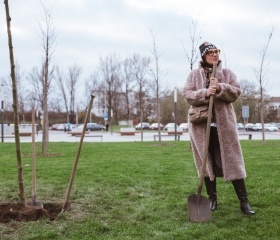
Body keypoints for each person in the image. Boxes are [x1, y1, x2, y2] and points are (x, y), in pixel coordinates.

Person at [182, 41, 255, 215]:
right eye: (211, 52)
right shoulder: (193, 75)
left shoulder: (227, 73)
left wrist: (221, 87)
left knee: (234, 162)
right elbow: (187, 94)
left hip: (225, 126)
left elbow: (236, 92)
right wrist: (205, 92)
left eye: (217, 52)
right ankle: (212, 200)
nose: (215, 55)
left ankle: (244, 203)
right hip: (201, 127)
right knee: (206, 164)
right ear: (204, 56)